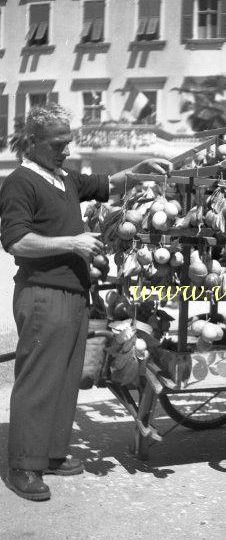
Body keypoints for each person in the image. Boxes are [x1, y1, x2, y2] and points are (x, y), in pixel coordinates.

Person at [0, 104, 172, 501]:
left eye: (68, 142)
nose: (65, 150)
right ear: (33, 142)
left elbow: (108, 183)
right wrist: (73, 243)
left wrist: (140, 168)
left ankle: (53, 454)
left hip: (75, 294)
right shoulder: (20, 182)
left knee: (64, 380)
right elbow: (16, 240)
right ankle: (24, 465)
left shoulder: (63, 178)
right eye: (58, 144)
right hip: (43, 294)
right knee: (39, 381)